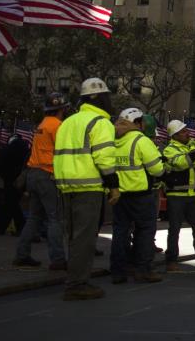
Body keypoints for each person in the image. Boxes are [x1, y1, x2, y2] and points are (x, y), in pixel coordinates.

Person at [54, 78, 119, 301]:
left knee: (73, 237)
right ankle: (77, 284)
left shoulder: (68, 122)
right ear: (101, 98)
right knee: (85, 238)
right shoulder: (101, 122)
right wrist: (114, 187)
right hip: (88, 186)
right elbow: (105, 159)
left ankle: (75, 278)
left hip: (66, 186)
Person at [13, 93, 69, 270]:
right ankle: (58, 259)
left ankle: (22, 255)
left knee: (34, 217)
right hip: (47, 174)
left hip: (33, 174)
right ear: (62, 109)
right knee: (55, 218)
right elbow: (63, 152)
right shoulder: (59, 126)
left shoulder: (42, 124)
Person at [110, 108, 165, 284]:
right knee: (144, 231)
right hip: (141, 195)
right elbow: (157, 169)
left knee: (120, 232)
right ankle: (142, 270)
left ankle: (118, 271)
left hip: (119, 194)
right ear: (138, 123)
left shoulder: (113, 140)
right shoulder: (141, 140)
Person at [162, 119, 195, 273]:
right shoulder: (169, 150)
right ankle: (171, 261)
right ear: (174, 136)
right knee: (174, 230)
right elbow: (182, 163)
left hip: (194, 196)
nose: (187, 133)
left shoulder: (193, 144)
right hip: (176, 196)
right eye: (183, 132)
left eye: (186, 130)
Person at [0, 134, 30, 236]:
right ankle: (17, 227)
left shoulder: (7, 149)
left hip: (9, 179)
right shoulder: (26, 149)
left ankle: (6, 228)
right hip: (22, 180)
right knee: (12, 204)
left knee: (10, 203)